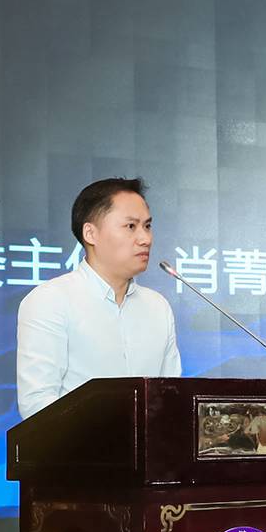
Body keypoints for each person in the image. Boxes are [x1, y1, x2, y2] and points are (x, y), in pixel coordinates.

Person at [15, 177, 181, 419]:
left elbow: (172, 396)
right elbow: (37, 404)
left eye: (147, 226)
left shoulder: (158, 306)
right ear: (90, 233)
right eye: (131, 226)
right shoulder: (50, 301)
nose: (145, 238)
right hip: (77, 444)